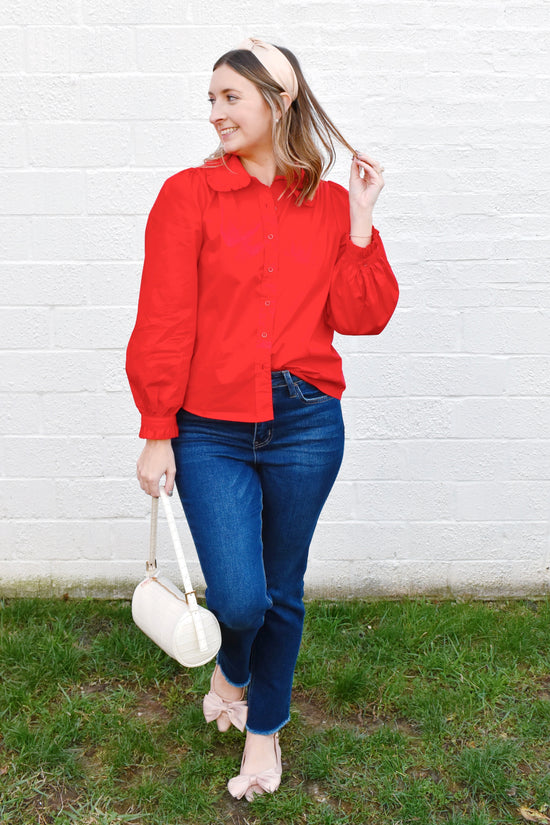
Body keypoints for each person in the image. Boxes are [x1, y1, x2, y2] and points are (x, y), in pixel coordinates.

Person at [126, 37, 398, 801]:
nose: (215, 112)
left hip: (308, 423)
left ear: (278, 102)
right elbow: (165, 319)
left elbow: (362, 314)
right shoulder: (187, 196)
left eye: (230, 97)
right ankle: (234, 665)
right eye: (211, 98)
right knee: (241, 596)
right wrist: (157, 427)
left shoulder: (331, 203)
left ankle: (262, 729)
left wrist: (363, 220)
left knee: (284, 587)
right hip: (209, 426)